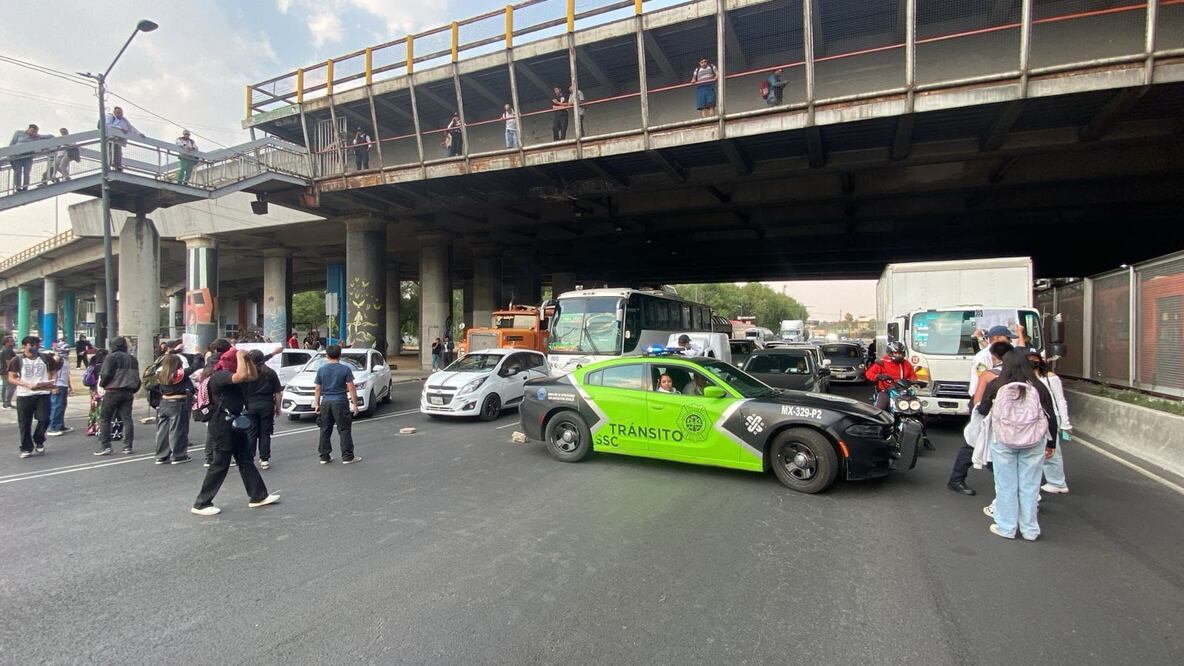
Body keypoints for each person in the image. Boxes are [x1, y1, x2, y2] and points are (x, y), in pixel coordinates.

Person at [976, 349, 1058, 541]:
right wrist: (1051, 442)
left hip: (1004, 441)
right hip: (1034, 441)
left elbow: (981, 408)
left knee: (1006, 485)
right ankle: (1030, 530)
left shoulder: (998, 385)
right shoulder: (1039, 387)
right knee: (1030, 486)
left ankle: (1006, 527)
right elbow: (1050, 416)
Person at [191, 345, 280, 516]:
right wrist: (240, 355)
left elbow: (251, 375)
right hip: (221, 424)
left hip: (234, 421)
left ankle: (258, 496)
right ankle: (201, 503)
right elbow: (241, 375)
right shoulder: (219, 376)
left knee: (246, 459)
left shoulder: (232, 375)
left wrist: (247, 360)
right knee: (220, 463)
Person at [950, 339, 1014, 496]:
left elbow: (978, 400)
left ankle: (956, 480)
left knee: (974, 446)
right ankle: (1012, 489)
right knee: (998, 452)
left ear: (993, 356)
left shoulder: (989, 374)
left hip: (987, 416)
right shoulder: (1018, 374)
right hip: (1009, 421)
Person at [1028, 348, 1073, 494]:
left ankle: (1057, 482)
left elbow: (1060, 400)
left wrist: (1065, 423)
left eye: (1035, 359)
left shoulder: (1049, 377)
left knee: (1052, 449)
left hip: (1052, 416)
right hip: (1035, 417)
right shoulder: (1026, 378)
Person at [7, 336, 57, 458]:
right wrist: (26, 384)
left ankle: (39, 439)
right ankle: (26, 447)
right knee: (24, 423)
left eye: (37, 344)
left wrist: (52, 382)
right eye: (32, 344)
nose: (35, 347)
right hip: (25, 394)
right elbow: (11, 377)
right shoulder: (17, 360)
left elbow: (54, 372)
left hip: (43, 393)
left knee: (44, 419)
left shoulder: (46, 358)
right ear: (25, 346)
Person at [313, 344, 361, 465]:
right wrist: (355, 404)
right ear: (340, 355)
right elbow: (351, 388)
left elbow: (318, 389)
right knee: (344, 429)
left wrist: (317, 403)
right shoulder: (345, 369)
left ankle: (324, 456)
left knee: (325, 429)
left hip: (326, 402)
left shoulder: (321, 370)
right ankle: (347, 457)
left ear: (327, 355)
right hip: (340, 401)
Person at [95, 336, 140, 456]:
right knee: (127, 419)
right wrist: (133, 389)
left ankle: (106, 446)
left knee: (105, 419)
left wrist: (102, 384)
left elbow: (106, 374)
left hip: (112, 391)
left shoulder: (111, 357)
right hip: (128, 391)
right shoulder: (132, 359)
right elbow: (137, 378)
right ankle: (127, 446)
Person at [154, 352, 200, 464]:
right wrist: (196, 354)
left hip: (164, 402)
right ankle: (179, 455)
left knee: (162, 431)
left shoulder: (160, 373)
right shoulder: (180, 374)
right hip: (178, 403)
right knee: (178, 430)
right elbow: (195, 366)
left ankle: (161, 456)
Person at [245, 349, 283, 470]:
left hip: (250, 404)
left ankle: (249, 459)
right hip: (267, 404)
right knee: (265, 433)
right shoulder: (270, 372)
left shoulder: (247, 373)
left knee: (251, 432)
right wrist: (278, 407)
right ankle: (264, 459)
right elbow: (278, 392)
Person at [969, 324, 1027, 400]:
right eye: (1008, 338)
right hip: (981, 398)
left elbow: (1021, 354)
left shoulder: (1001, 353)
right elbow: (982, 378)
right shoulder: (983, 357)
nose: (1010, 341)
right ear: (997, 338)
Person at [864, 341, 917, 410]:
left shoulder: (906, 364)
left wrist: (914, 381)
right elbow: (869, 374)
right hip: (886, 391)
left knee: (916, 406)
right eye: (896, 353)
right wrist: (877, 376)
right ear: (890, 353)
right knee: (879, 409)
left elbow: (912, 375)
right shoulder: (882, 362)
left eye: (900, 353)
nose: (899, 355)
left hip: (903, 391)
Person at [8, 124, 55, 191]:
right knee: (18, 172)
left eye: (35, 132)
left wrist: (38, 135)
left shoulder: (36, 137)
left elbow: (51, 136)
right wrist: (10, 155)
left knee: (26, 172)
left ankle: (25, 187)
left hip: (28, 157)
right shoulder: (19, 133)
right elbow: (12, 144)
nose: (33, 133)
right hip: (17, 157)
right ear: (28, 129)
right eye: (32, 131)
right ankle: (18, 188)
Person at [104, 106, 144, 171]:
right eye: (118, 113)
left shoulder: (124, 120)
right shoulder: (110, 117)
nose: (120, 114)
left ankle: (117, 167)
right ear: (114, 113)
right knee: (111, 153)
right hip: (111, 140)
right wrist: (120, 129)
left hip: (119, 141)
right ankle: (111, 167)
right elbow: (107, 125)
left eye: (121, 113)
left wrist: (139, 133)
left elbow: (131, 128)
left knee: (118, 155)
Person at [45, 351, 73, 437]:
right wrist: (53, 386)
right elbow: (51, 372)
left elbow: (66, 374)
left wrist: (69, 385)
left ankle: (60, 425)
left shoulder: (65, 360)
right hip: (58, 384)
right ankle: (53, 427)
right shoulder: (57, 359)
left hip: (63, 385)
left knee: (62, 406)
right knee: (57, 406)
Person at [1, 336, 16, 408]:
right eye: (12, 341)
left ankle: (5, 402)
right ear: (7, 342)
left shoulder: (4, 349)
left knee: (5, 386)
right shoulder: (8, 350)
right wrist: (13, 371)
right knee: (10, 387)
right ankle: (7, 403)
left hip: (3, 371)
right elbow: (8, 361)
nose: (14, 342)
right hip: (8, 372)